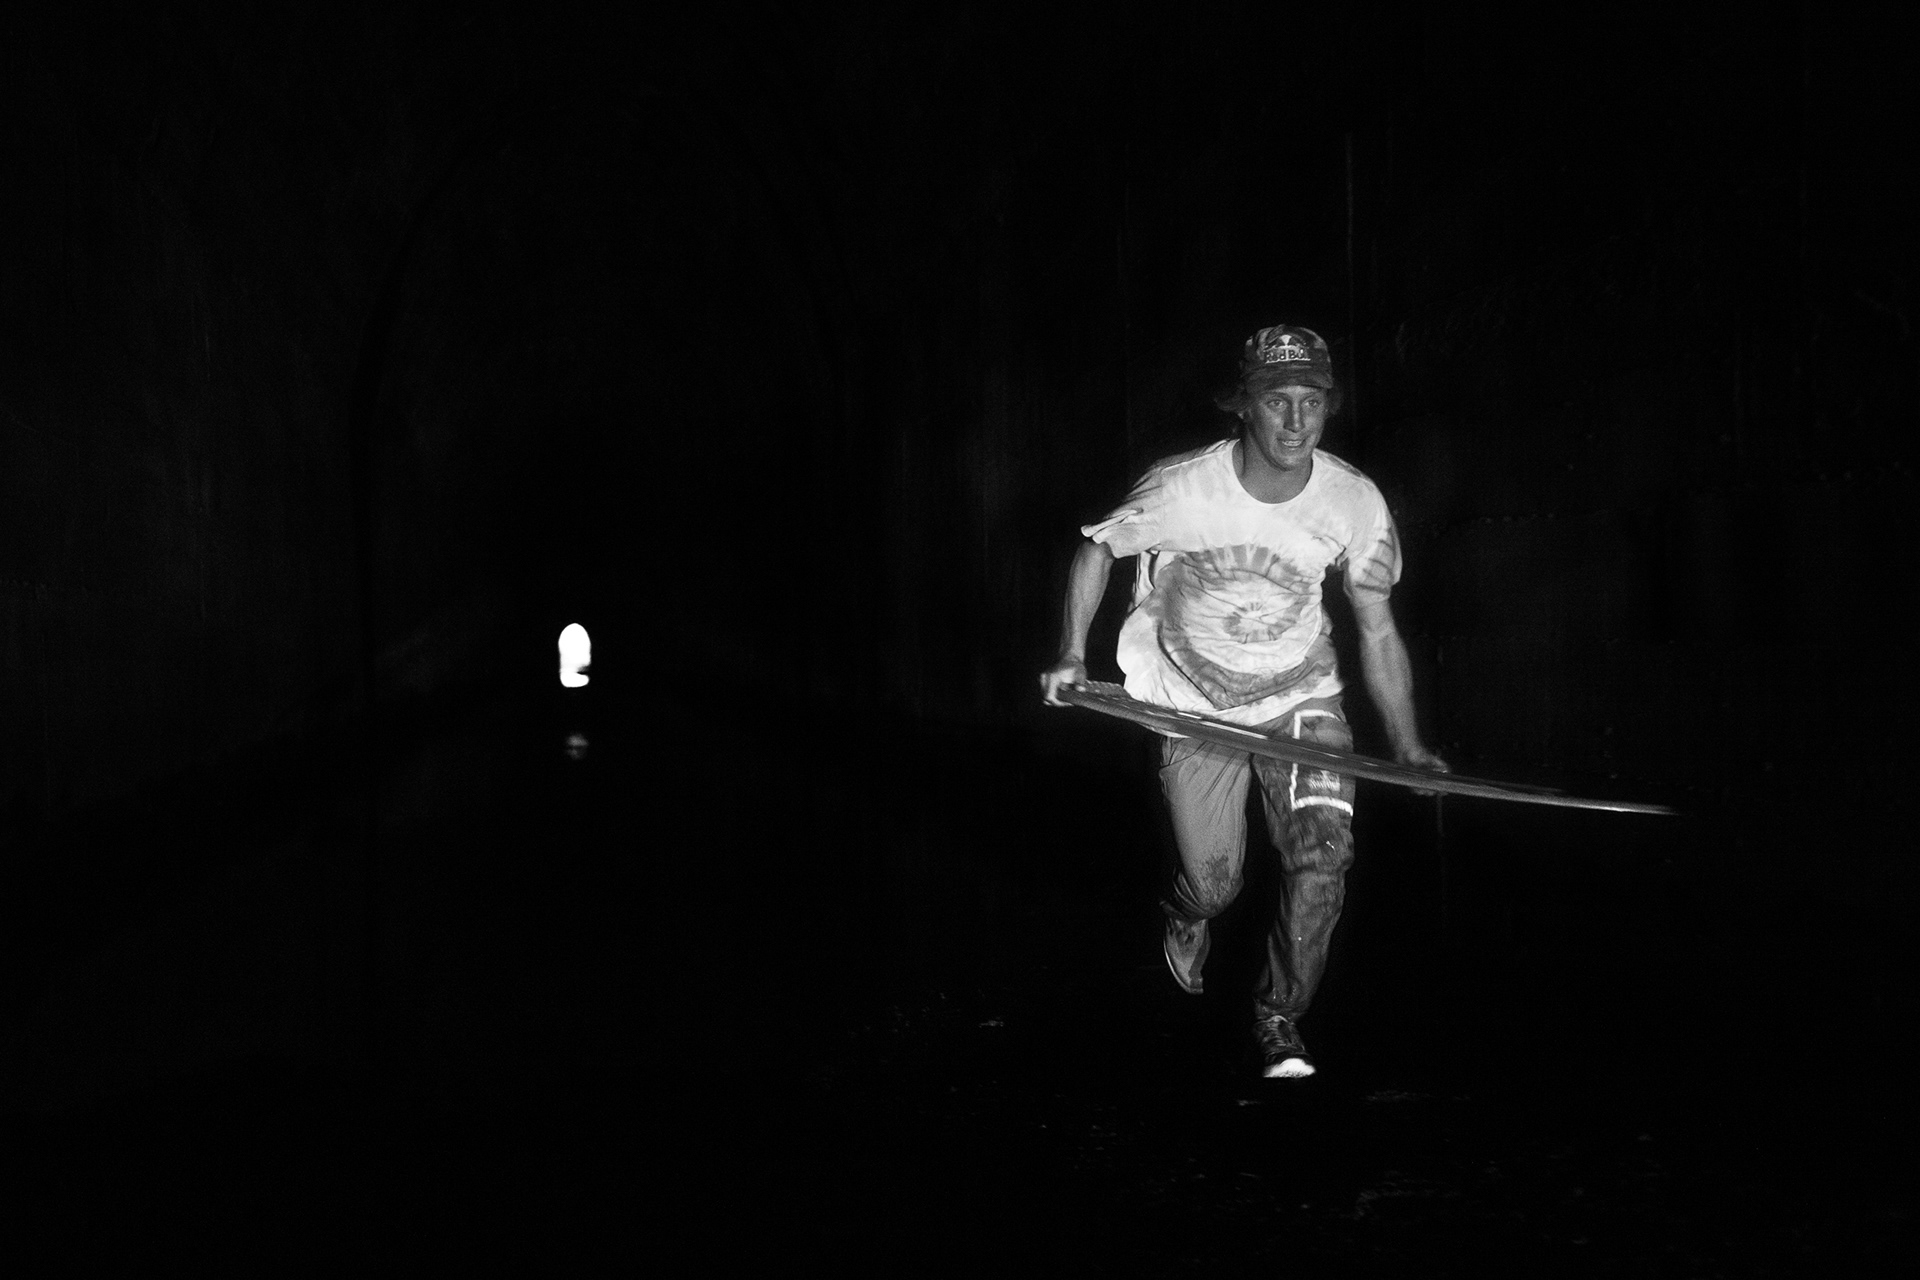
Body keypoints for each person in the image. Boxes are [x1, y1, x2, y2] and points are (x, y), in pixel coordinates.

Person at [1039, 323, 1448, 1079]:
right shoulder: (1181, 488)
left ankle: (1279, 1015)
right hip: (1192, 707)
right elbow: (1096, 549)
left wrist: (1408, 745)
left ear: (1328, 406)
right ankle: (1187, 911)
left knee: (1322, 859)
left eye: (1312, 402)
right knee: (1214, 883)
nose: (1295, 422)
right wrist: (1071, 651)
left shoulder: (1353, 502)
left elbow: (1377, 627)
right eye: (1276, 401)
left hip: (1301, 702)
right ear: (1243, 406)